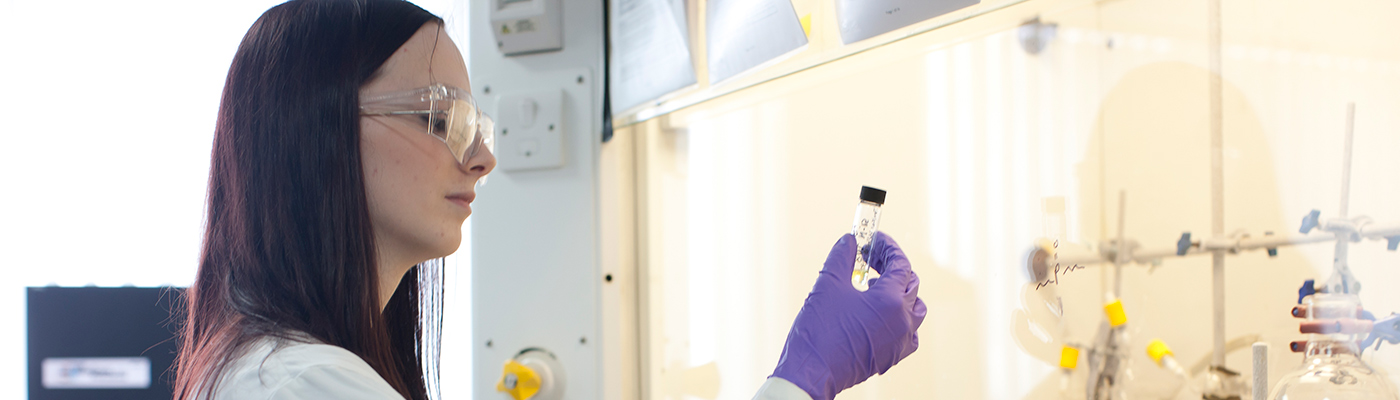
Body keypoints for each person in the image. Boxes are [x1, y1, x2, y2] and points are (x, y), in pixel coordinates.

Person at [172, 1, 926, 399]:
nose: (482, 155)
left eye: (480, 122)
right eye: (445, 117)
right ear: (315, 129)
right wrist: (804, 378)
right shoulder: (300, 388)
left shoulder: (284, 370)